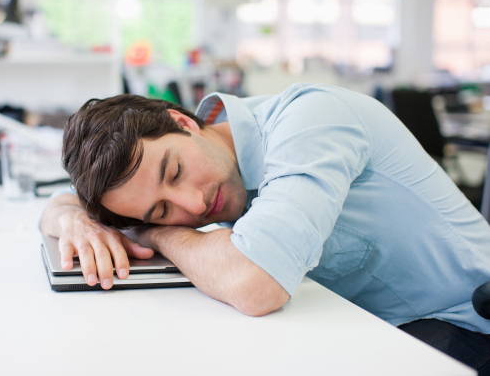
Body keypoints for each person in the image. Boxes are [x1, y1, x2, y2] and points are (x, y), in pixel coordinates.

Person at [40, 83, 490, 372]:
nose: (194, 204)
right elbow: (56, 204)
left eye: (175, 172)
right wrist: (76, 220)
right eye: (160, 211)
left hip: (464, 325)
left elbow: (255, 284)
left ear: (183, 123)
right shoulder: (195, 168)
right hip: (374, 325)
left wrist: (154, 232)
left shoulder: (311, 120)